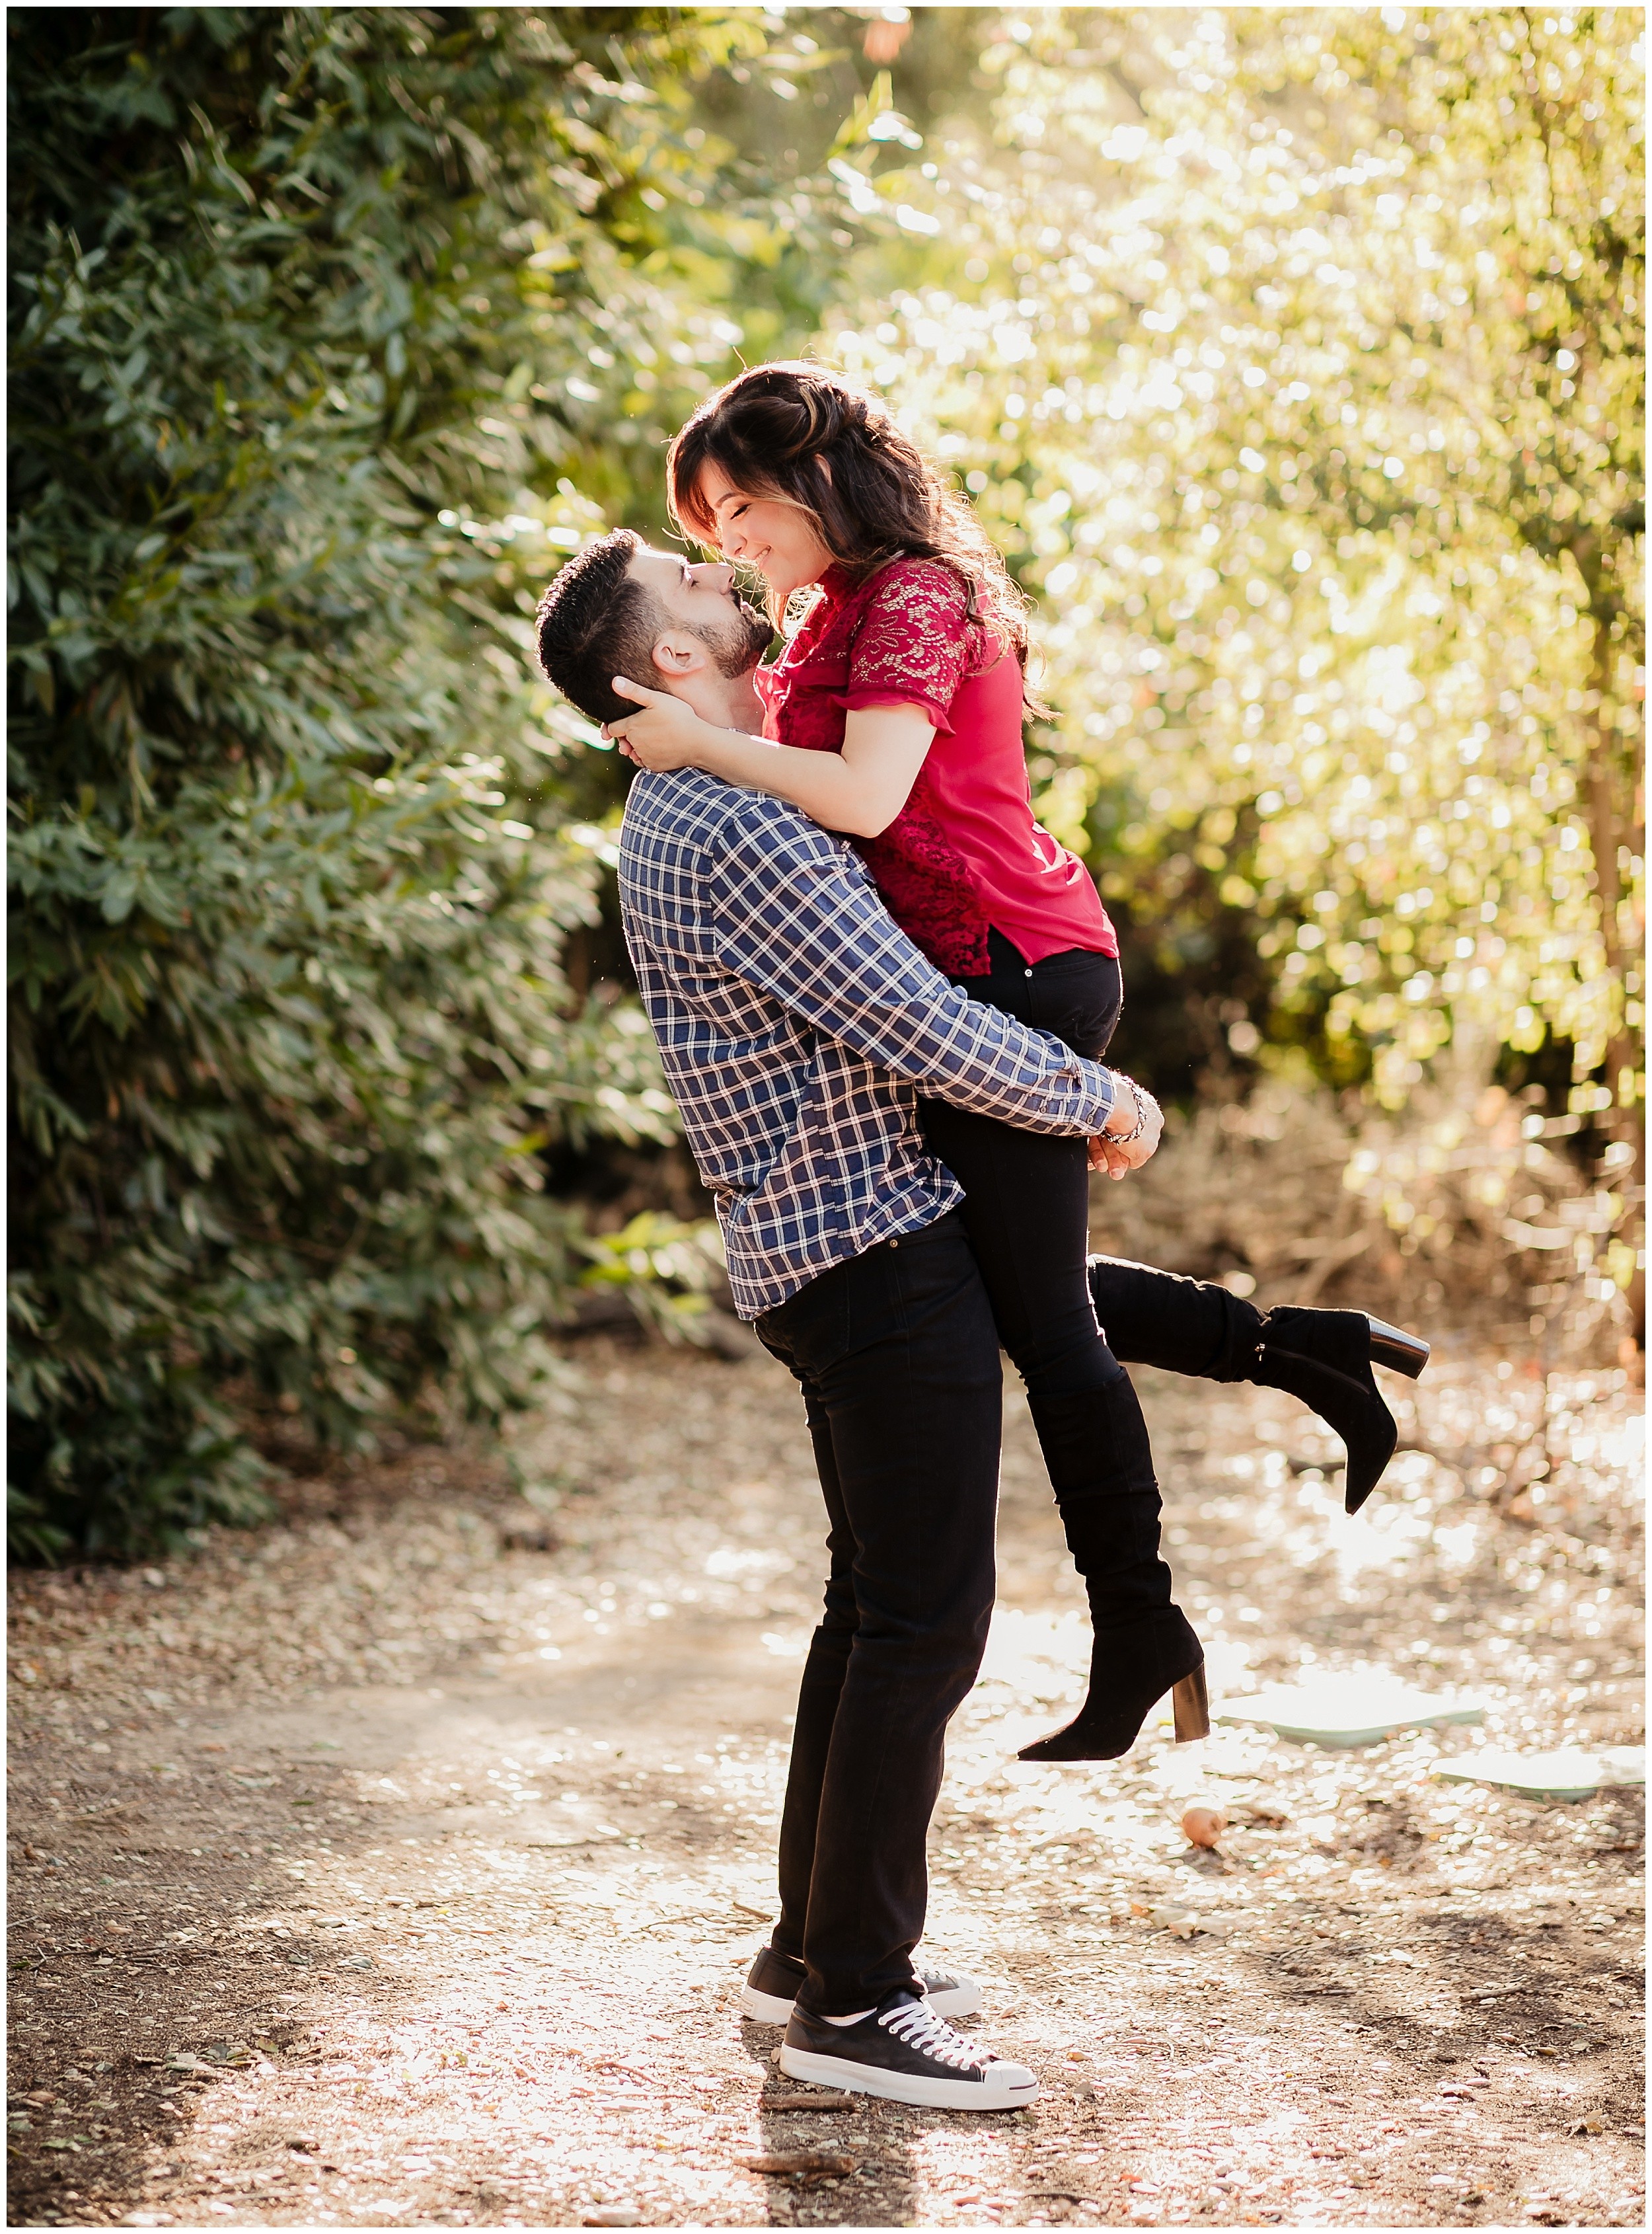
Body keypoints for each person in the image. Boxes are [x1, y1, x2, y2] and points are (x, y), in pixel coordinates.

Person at [597, 366, 1428, 1761]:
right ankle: (1307, 1352)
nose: (731, 542)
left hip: (1012, 962)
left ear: (812, 475)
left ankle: (1139, 1628)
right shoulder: (829, 614)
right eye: (712, 523)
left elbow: (864, 797)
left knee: (1041, 1325)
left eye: (740, 506)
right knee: (995, 1280)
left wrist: (692, 745)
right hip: (956, 969)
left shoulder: (914, 594)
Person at [539, 530, 1165, 2106]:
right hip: (869, 1251)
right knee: (922, 1620)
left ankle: (806, 1955)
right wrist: (1090, 1092)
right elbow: (910, 1018)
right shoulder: (727, 821)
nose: (724, 585)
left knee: (870, 1604)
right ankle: (859, 2003)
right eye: (692, 589)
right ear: (665, 664)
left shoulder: (719, 793)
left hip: (836, 1246)